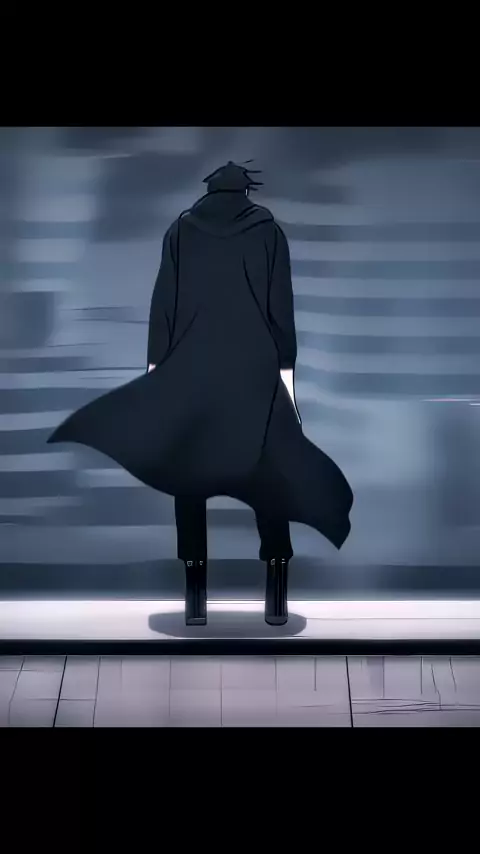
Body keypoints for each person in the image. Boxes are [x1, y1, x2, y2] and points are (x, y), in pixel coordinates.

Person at [48, 161, 353, 626]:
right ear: (245, 192)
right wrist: (287, 380)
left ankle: (195, 601)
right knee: (271, 478)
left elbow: (163, 306)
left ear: (209, 191)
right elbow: (281, 309)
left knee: (188, 477)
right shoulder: (269, 233)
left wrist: (155, 373)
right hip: (255, 372)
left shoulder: (180, 231)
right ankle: (275, 596)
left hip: (193, 368)